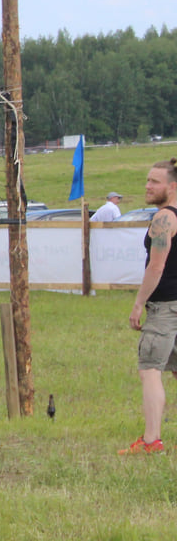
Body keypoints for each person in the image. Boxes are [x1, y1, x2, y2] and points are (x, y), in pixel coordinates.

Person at [120, 162, 177, 454]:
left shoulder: (163, 219)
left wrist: (139, 303)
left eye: (155, 181)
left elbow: (156, 266)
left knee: (150, 369)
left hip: (166, 307)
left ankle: (151, 441)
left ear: (172, 186)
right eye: (147, 180)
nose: (147, 186)